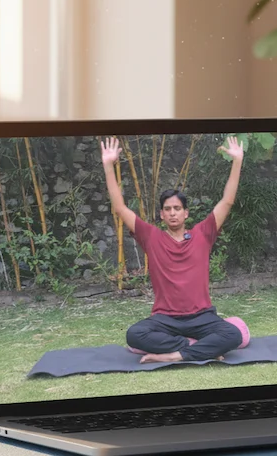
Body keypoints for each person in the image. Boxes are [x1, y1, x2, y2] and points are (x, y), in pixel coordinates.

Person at [100, 135, 244, 363]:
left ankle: (174, 355)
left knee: (233, 334)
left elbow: (227, 201)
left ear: (186, 213)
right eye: (167, 209)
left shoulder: (203, 233)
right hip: (166, 319)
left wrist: (237, 161)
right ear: (161, 214)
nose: (173, 212)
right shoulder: (151, 237)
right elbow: (119, 207)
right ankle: (198, 348)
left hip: (202, 317)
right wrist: (109, 165)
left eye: (177, 208)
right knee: (134, 334)